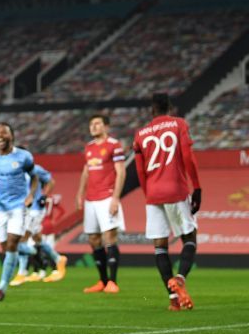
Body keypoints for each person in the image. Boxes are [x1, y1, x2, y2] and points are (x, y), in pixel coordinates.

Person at [133, 93, 202, 311]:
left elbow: (139, 170)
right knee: (189, 236)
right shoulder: (178, 124)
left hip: (153, 193)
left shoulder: (140, 134)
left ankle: (173, 299)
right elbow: (188, 157)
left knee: (159, 246)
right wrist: (197, 187)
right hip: (175, 189)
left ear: (152, 110)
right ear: (169, 108)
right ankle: (180, 278)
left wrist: (148, 193)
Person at [0, 123, 39, 302]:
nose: (0, 136)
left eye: (4, 133)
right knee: (6, 249)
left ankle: (1, 288)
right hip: (1, 209)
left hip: (19, 207)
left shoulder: (24, 156)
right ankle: (34, 251)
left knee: (11, 244)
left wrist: (30, 195)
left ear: (12, 136)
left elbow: (34, 177)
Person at [76, 114, 126, 294]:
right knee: (93, 239)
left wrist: (115, 198)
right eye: (91, 124)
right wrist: (80, 193)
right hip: (91, 199)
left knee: (109, 237)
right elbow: (86, 171)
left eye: (97, 123)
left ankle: (113, 281)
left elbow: (121, 172)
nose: (93, 127)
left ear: (106, 127)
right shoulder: (88, 148)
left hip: (107, 197)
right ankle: (102, 281)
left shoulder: (114, 145)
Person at [13, 163, 67, 285]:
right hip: (22, 210)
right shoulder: (12, 170)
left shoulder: (35, 169)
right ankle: (58, 258)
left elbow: (51, 181)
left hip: (35, 209)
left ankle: (21, 273)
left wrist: (44, 195)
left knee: (22, 239)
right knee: (37, 239)